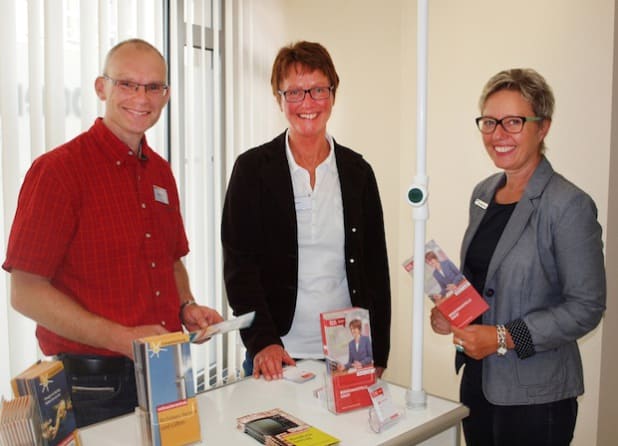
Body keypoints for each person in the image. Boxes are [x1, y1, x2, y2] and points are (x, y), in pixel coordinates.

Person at [2, 38, 223, 428]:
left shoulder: (160, 171)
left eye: (154, 86)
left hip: (167, 373)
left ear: (166, 95)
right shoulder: (58, 172)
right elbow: (26, 292)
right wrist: (122, 338)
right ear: (101, 88)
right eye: (127, 84)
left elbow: (171, 259)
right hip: (93, 389)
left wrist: (185, 306)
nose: (142, 97)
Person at [430, 68, 606, 445]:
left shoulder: (568, 205)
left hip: (536, 398)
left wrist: (502, 338)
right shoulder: (483, 193)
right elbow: (483, 283)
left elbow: (587, 306)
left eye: (513, 122)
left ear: (542, 128)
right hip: (477, 384)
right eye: (490, 122)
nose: (498, 135)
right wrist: (452, 311)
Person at [221, 41, 391, 381]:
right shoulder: (252, 169)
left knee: (350, 436)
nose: (307, 103)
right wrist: (262, 340)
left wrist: (378, 350)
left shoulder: (358, 173)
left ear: (333, 94)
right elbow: (240, 267)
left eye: (317, 90)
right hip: (279, 351)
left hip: (348, 349)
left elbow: (375, 269)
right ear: (279, 98)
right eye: (294, 93)